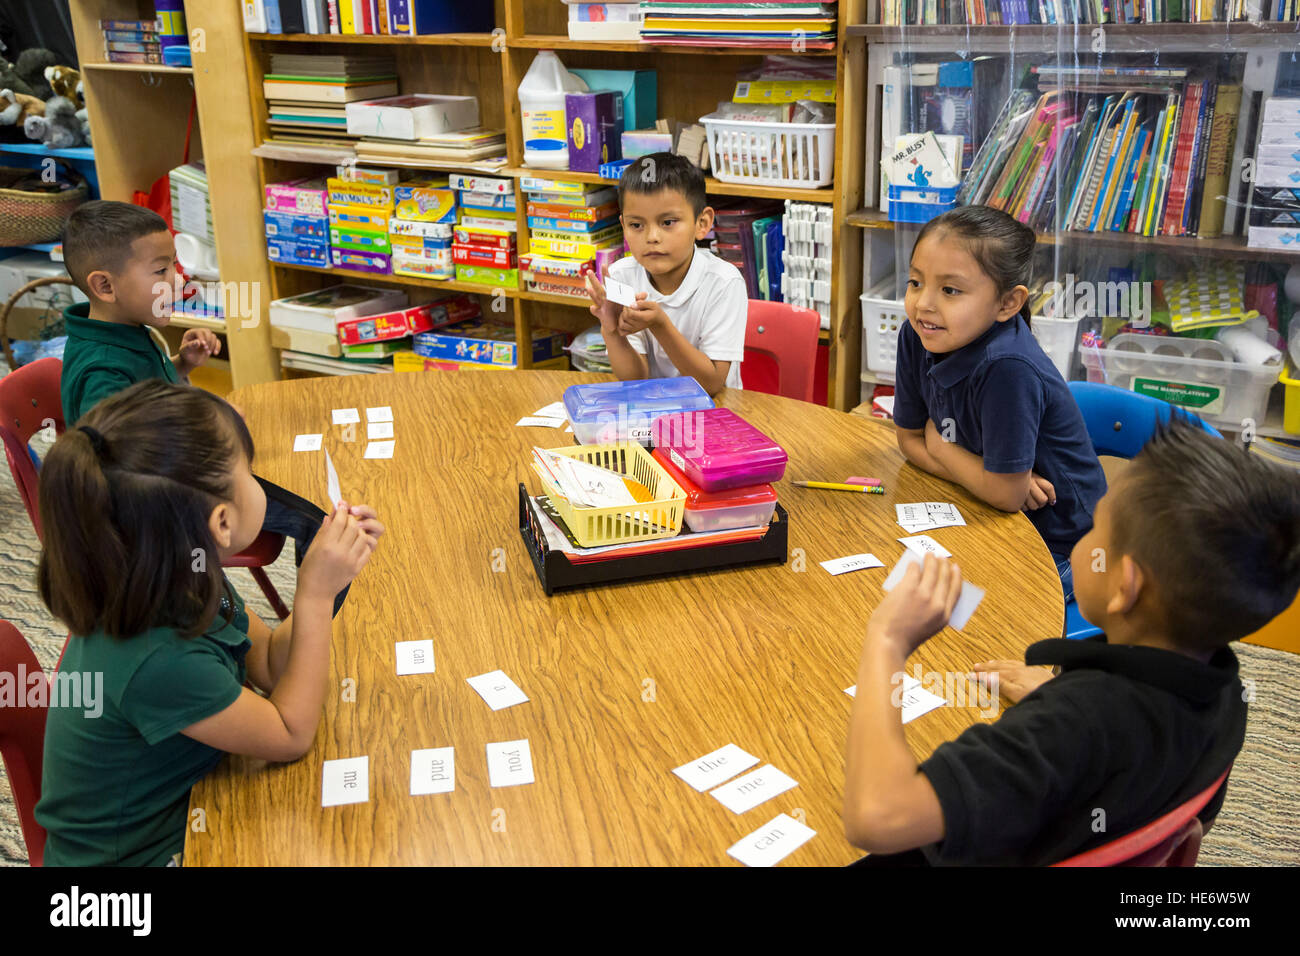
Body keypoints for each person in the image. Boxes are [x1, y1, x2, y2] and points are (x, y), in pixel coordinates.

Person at [842, 418, 1300, 865]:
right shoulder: (1226, 690)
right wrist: (1059, 696)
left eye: (1096, 529)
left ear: (1124, 587)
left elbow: (877, 818)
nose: (1083, 542)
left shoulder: (1067, 728)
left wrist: (888, 641)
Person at [34, 380, 384, 866]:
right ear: (221, 523)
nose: (260, 481)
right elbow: (289, 733)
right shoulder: (156, 656)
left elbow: (264, 662)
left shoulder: (180, 567)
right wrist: (315, 594)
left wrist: (322, 584)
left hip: (183, 804)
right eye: (253, 473)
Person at [892, 205, 1106, 597]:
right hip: (994, 516)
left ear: (1008, 303)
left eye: (950, 290)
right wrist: (982, 478)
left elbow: (1005, 495)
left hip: (1065, 549)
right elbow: (908, 442)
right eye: (915, 282)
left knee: (961, 610)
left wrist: (940, 444)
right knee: (899, 579)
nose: (923, 304)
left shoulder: (1008, 367)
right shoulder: (917, 335)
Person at [585, 152, 746, 396]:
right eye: (636, 225)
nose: (652, 237)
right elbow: (634, 378)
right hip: (650, 411)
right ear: (623, 227)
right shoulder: (620, 276)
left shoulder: (724, 282)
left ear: (702, 224)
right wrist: (612, 331)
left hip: (714, 413)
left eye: (668, 222)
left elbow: (711, 385)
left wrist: (660, 325)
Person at [58, 199, 220, 424]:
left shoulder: (121, 329)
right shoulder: (104, 374)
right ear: (105, 286)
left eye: (174, 263)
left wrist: (183, 363)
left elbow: (142, 388)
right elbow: (114, 452)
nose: (179, 280)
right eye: (161, 270)